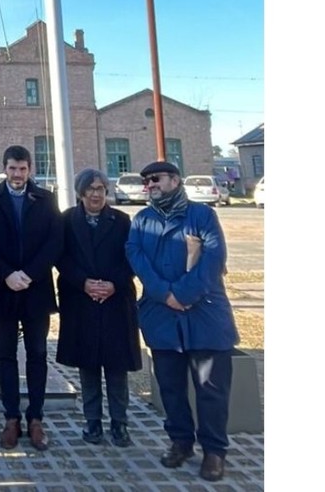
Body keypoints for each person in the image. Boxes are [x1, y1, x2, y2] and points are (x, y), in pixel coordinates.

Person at [125, 161, 238, 482]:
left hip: (204, 316)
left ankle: (214, 450)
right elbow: (137, 259)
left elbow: (214, 258)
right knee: (171, 387)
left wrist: (185, 294)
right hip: (163, 316)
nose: (150, 185)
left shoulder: (202, 216)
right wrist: (165, 295)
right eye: (146, 181)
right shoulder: (142, 221)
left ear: (175, 180)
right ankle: (181, 442)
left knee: (211, 388)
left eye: (156, 179)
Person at [0, 145, 63, 450]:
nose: (17, 174)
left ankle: (35, 418)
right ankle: (11, 418)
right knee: (7, 355)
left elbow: (55, 239)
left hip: (35, 289)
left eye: (23, 169)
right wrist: (7, 273)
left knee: (38, 355)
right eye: (12, 168)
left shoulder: (46, 198)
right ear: (4, 168)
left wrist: (31, 274)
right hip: (3, 287)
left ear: (30, 169)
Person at [55, 169, 141, 448]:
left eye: (101, 189)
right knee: (88, 365)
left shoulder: (122, 221)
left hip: (115, 300)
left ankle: (120, 424)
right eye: (90, 189)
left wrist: (113, 284)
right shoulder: (67, 221)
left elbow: (132, 258)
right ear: (81, 192)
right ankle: (92, 422)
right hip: (81, 300)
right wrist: (84, 283)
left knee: (116, 367)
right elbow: (60, 256)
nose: (96, 194)